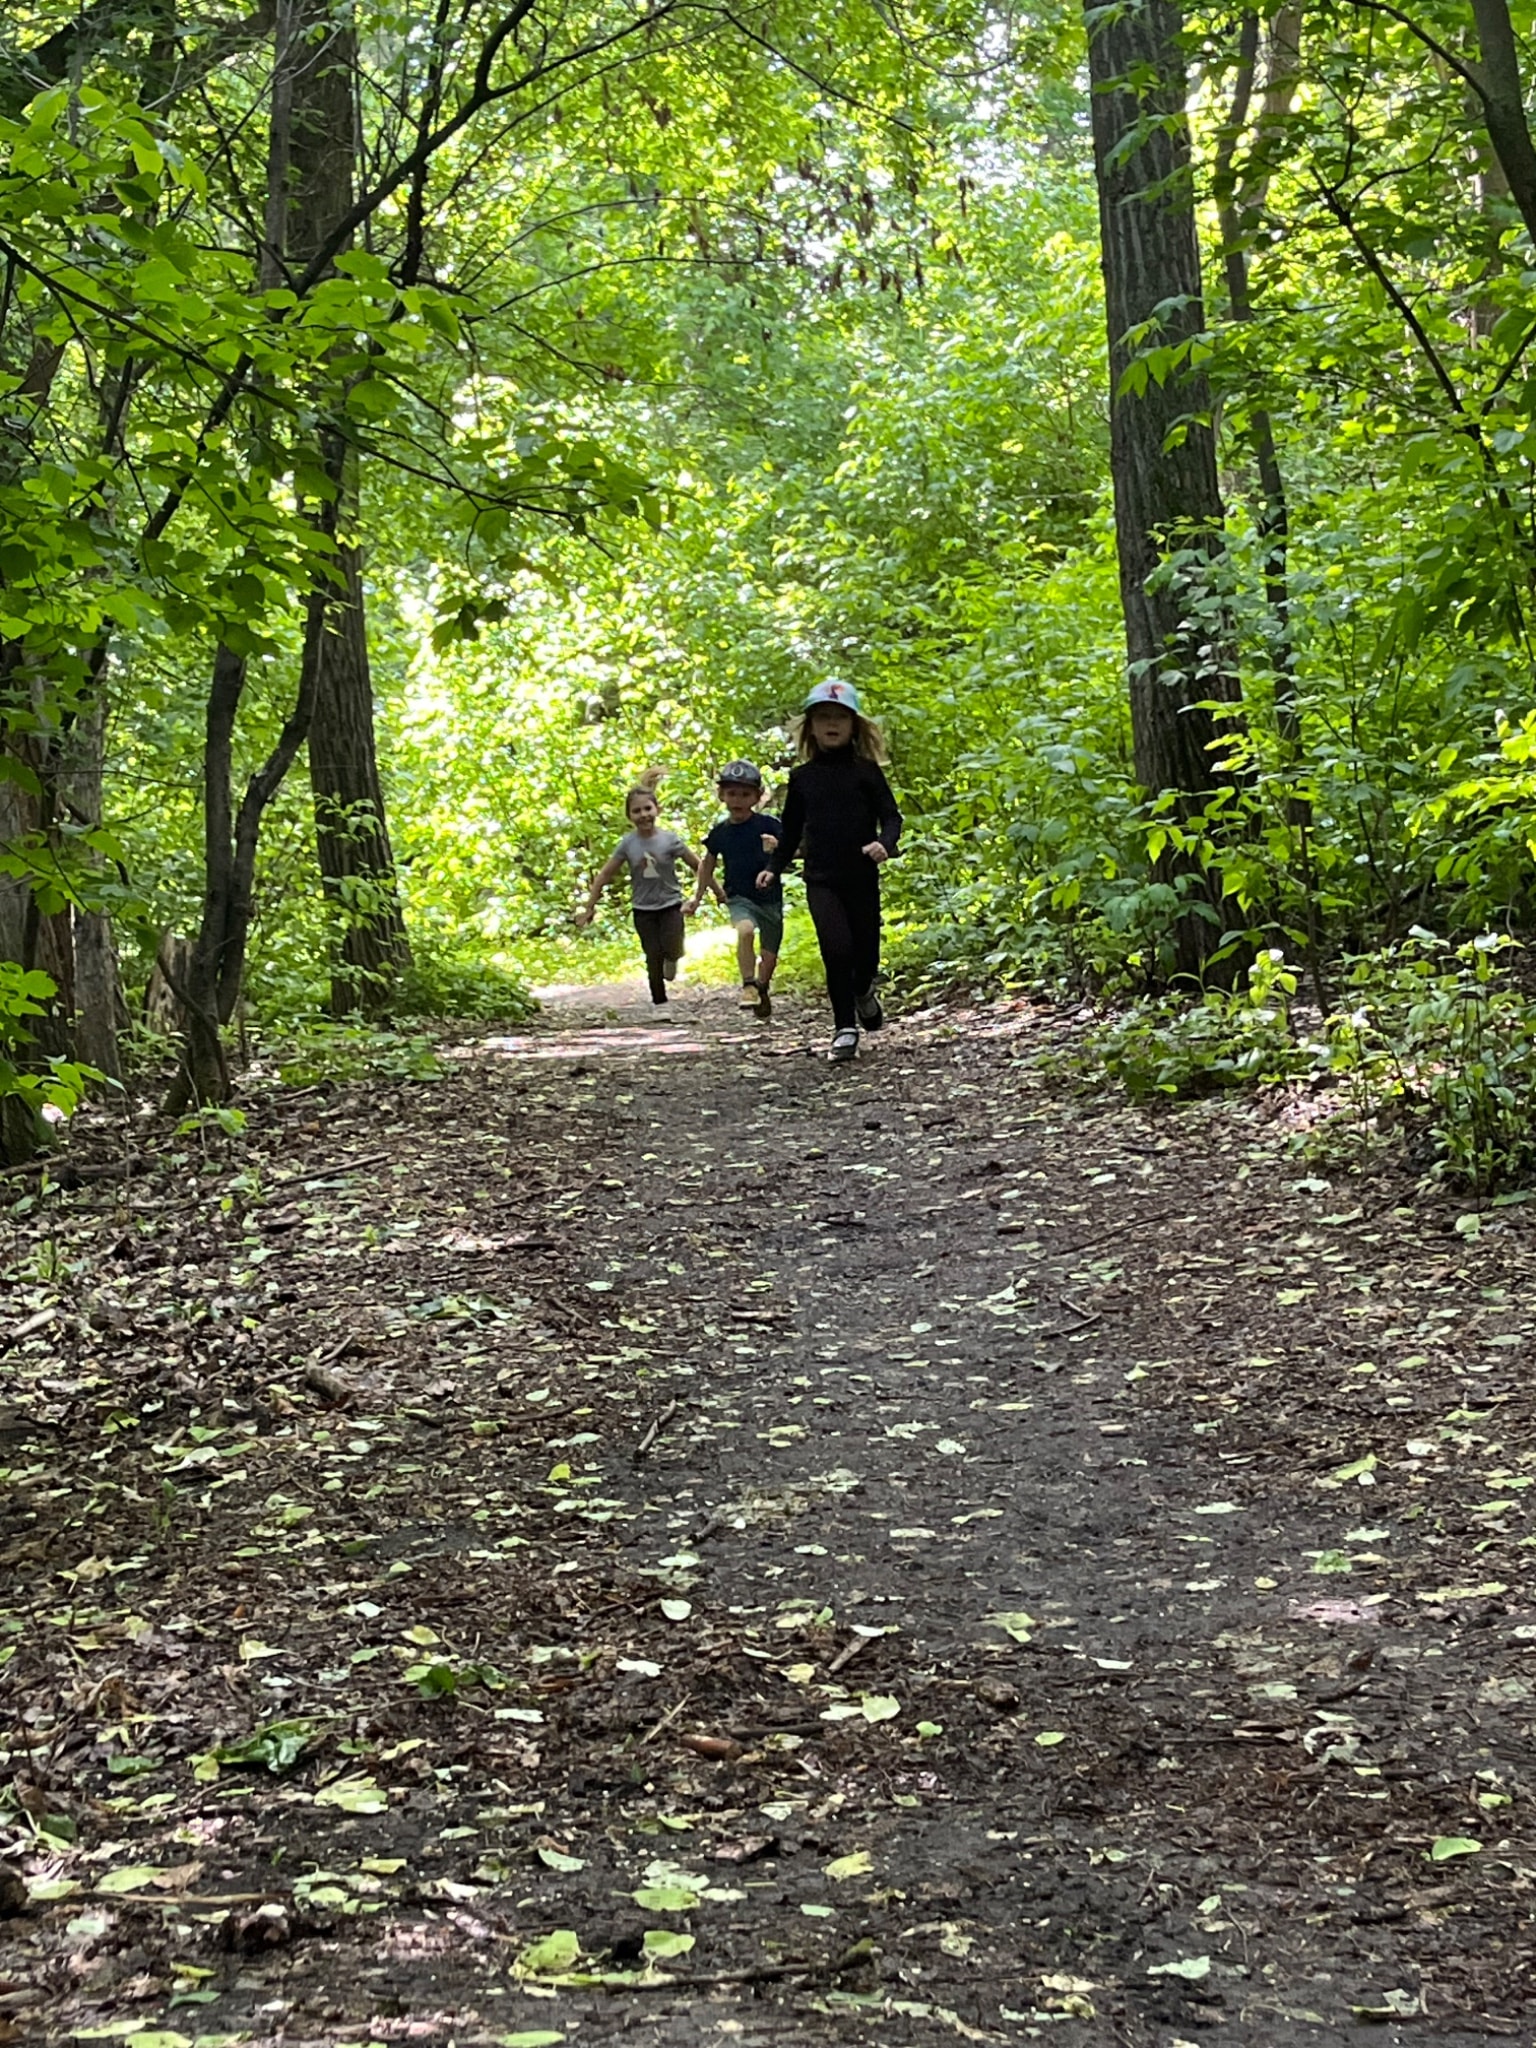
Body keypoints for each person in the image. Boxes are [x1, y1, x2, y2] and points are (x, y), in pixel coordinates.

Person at [758, 681, 900, 1062]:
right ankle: (844, 1028)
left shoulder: (867, 772)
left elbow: (891, 816)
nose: (831, 724)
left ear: (854, 725)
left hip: (861, 876)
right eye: (823, 718)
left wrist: (884, 843)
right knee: (836, 950)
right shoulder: (803, 778)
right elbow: (790, 829)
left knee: (865, 956)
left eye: (839, 717)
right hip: (821, 878)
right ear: (811, 728)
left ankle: (863, 991)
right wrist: (774, 865)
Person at [575, 772, 706, 1007]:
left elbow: (699, 865)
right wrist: (589, 907)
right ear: (629, 816)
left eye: (647, 809)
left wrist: (715, 892)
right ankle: (660, 1003)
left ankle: (673, 958)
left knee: (673, 947)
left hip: (670, 904)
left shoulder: (670, 840)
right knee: (652, 955)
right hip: (642, 908)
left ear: (657, 809)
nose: (643, 815)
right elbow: (605, 874)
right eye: (637, 811)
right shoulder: (628, 844)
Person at [686, 761, 783, 1018]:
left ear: (757, 796)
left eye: (744, 794)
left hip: (770, 898)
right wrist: (697, 898)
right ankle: (748, 984)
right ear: (721, 796)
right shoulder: (720, 833)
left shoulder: (769, 825)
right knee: (745, 930)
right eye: (731, 794)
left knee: (769, 956)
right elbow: (707, 865)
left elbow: (797, 851)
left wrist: (779, 848)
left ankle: (762, 988)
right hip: (739, 896)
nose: (737, 800)